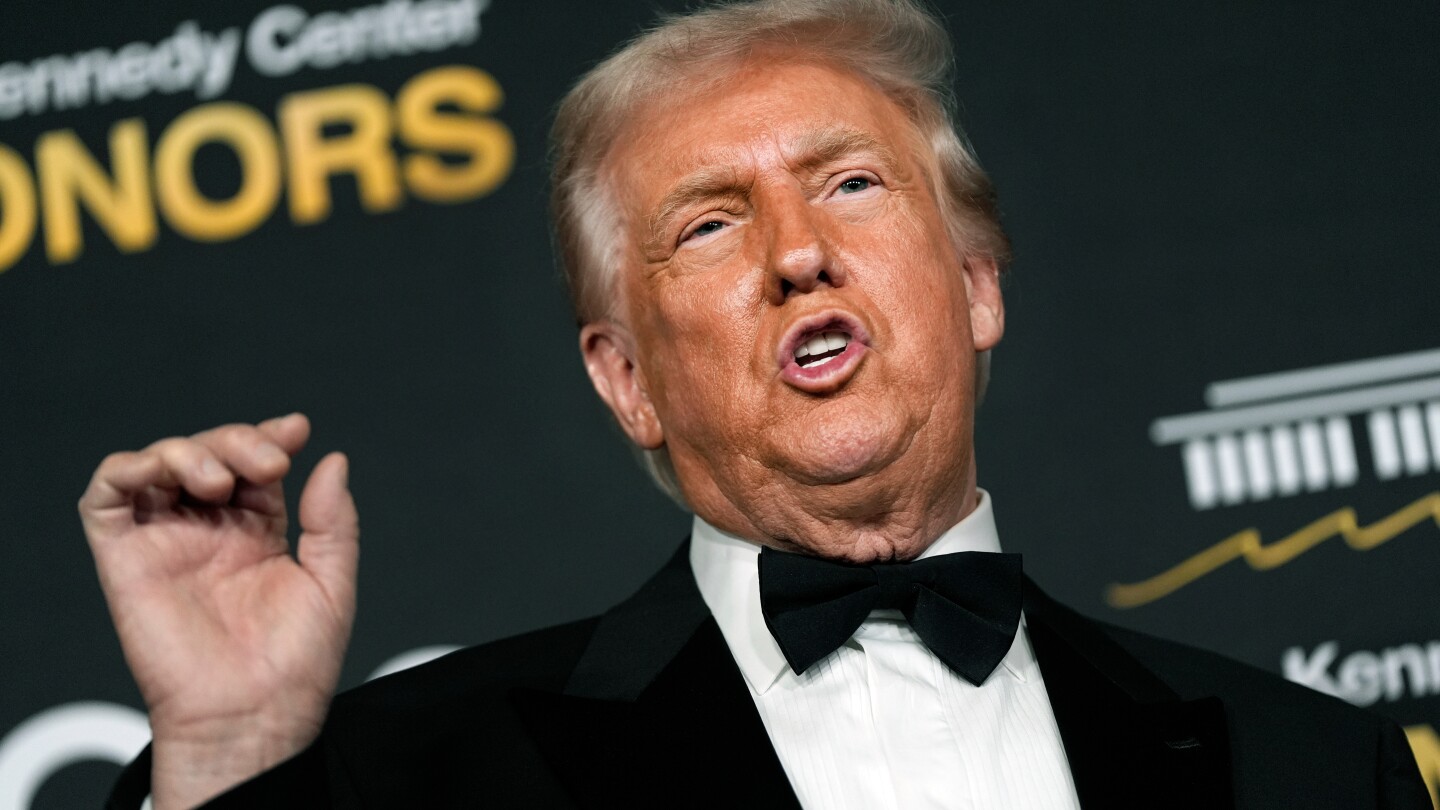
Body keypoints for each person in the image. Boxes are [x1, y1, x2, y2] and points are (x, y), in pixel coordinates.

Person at [84, 0, 1429, 808]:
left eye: (851, 184)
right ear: (627, 381)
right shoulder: (422, 776)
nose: (798, 251)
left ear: (976, 285)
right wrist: (226, 765)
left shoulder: (1310, 769)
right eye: (712, 223)